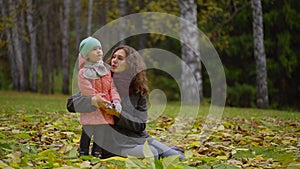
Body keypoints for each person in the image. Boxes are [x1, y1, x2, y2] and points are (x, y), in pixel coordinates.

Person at [67, 45, 184, 160]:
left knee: (178, 157)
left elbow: (140, 124)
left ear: (130, 64)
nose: (114, 60)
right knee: (152, 153)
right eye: (114, 57)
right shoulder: (101, 79)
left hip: (139, 138)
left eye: (120, 58)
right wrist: (93, 100)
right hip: (114, 144)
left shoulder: (138, 89)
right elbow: (71, 103)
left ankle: (168, 149)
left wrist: (118, 114)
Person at [76, 37, 122, 157]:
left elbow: (112, 88)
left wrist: (116, 101)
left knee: (101, 132)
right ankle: (83, 152)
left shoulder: (105, 70)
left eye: (100, 48)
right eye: (94, 49)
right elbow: (85, 88)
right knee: (87, 131)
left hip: (105, 109)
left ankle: (97, 152)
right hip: (92, 108)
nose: (99, 51)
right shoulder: (83, 72)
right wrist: (96, 98)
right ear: (87, 55)